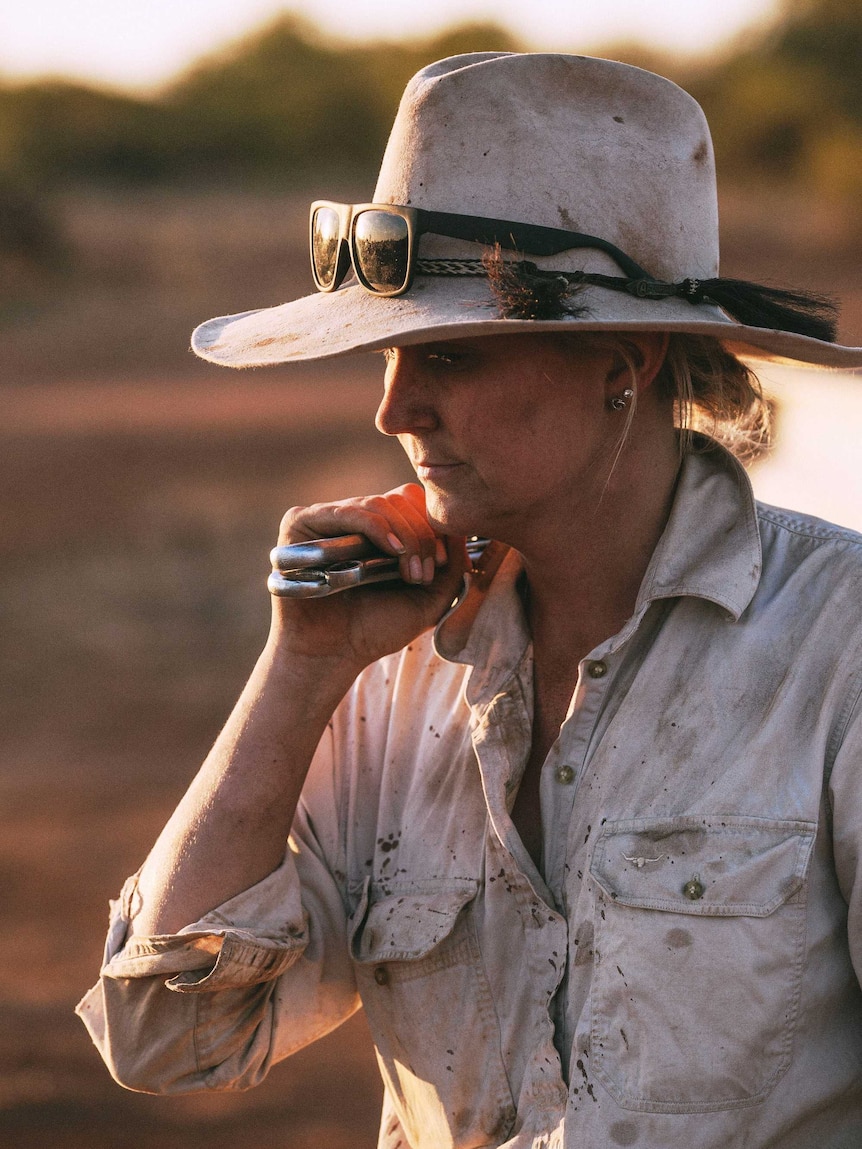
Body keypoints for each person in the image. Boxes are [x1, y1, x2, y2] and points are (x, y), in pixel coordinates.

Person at [77, 52, 862, 1148]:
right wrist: (300, 667)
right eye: (388, 356)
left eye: (446, 354)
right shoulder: (383, 670)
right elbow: (168, 1036)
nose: (396, 406)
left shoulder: (838, 648)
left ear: (619, 364)